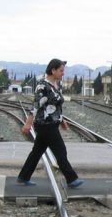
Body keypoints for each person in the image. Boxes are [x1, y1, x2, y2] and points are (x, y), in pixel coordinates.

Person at [17, 58, 84, 188]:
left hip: (52, 123)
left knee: (36, 152)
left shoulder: (55, 86)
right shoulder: (43, 86)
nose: (63, 73)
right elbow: (36, 106)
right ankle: (71, 179)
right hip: (45, 125)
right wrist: (28, 124)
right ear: (53, 70)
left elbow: (55, 106)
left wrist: (62, 120)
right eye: (61, 70)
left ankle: (23, 176)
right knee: (60, 150)